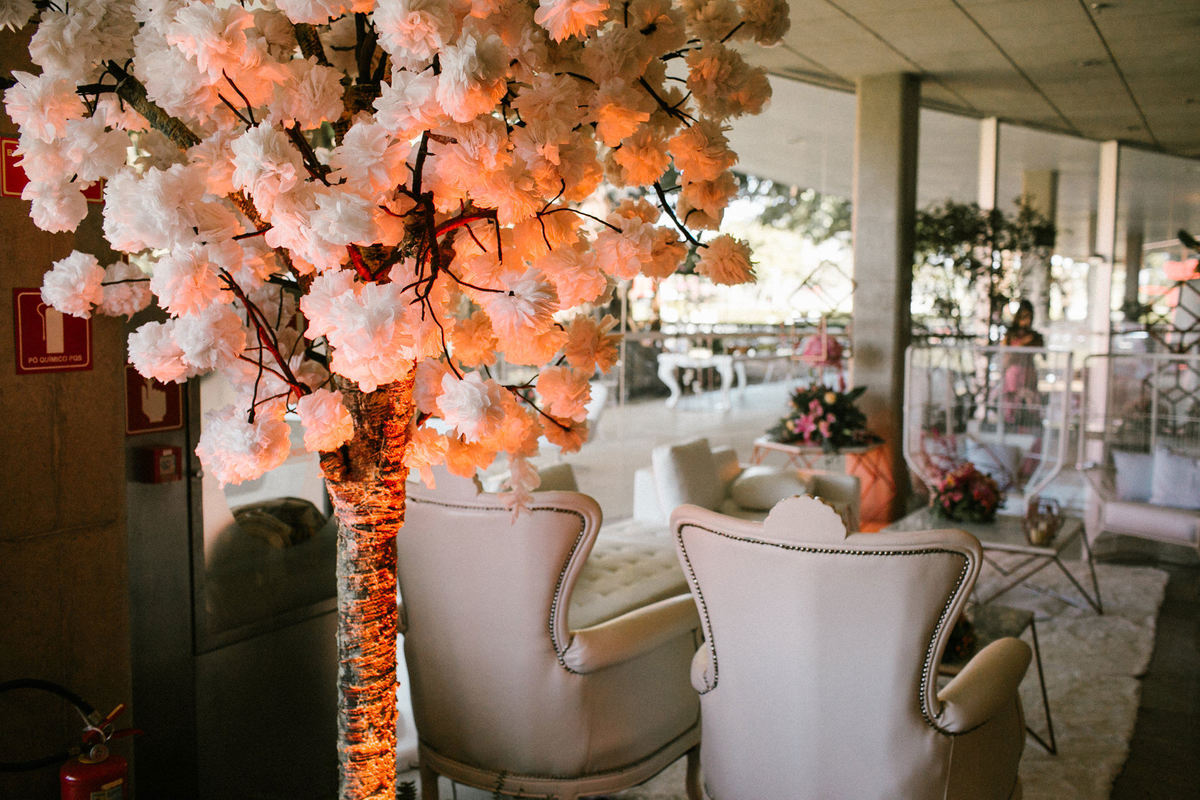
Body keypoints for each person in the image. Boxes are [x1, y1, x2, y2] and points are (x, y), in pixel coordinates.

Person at [1000, 300, 1043, 424]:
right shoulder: (1010, 335)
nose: (1027, 321)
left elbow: (1043, 354)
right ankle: (1011, 422)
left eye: (1029, 317)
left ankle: (1029, 425)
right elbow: (1006, 356)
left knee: (1030, 403)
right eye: (1024, 317)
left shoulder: (1034, 336)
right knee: (1012, 404)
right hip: (1013, 374)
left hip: (1028, 374)